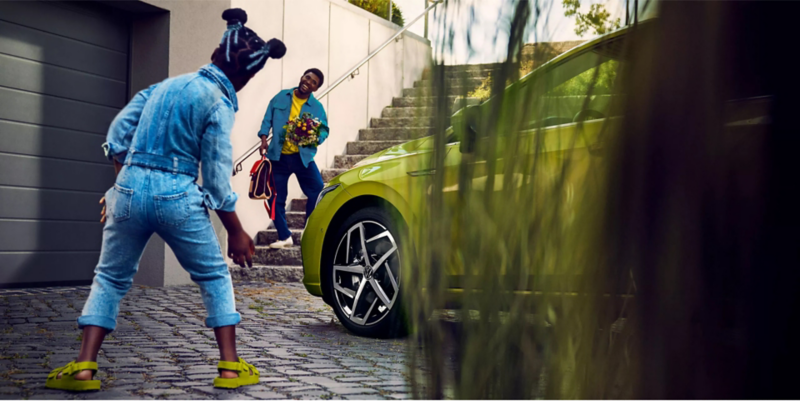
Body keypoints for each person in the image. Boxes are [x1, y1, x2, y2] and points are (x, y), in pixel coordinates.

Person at [44, 9, 286, 392]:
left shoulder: (161, 88)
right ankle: (230, 368)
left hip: (128, 190)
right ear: (247, 77)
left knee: (109, 277)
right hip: (178, 195)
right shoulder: (219, 105)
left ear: (213, 51)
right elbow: (218, 180)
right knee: (212, 275)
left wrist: (122, 186)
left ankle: (84, 367)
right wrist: (237, 233)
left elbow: (119, 134)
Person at [258, 69, 329, 248]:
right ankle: (285, 237)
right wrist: (264, 138)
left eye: (313, 82)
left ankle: (308, 232)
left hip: (302, 158)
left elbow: (324, 130)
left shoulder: (317, 107)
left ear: (316, 88)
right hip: (278, 157)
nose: (308, 82)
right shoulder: (281, 97)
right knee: (274, 197)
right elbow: (267, 119)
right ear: (301, 77)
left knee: (318, 190)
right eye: (307, 77)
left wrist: (313, 137)